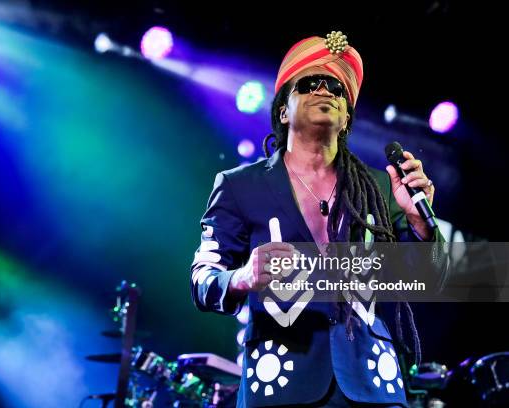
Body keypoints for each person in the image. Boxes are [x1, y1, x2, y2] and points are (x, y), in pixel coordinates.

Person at [190, 32, 446, 407]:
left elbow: (430, 281)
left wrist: (421, 224)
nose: (325, 91)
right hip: (281, 383)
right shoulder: (238, 185)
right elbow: (201, 281)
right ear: (282, 110)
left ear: (345, 120)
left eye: (338, 89)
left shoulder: (379, 187)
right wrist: (242, 278)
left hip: (372, 385)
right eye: (310, 83)